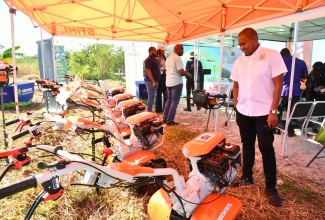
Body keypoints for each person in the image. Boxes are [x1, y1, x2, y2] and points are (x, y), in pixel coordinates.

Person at [230, 28, 287, 207]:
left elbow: (278, 85)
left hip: (264, 113)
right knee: (247, 145)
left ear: (254, 39)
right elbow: (236, 84)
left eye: (243, 43)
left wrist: (273, 111)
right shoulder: (239, 61)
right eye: (239, 44)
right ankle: (247, 177)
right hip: (244, 111)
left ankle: (271, 188)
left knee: (265, 148)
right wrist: (236, 102)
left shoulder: (272, 55)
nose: (241, 47)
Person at [277, 48, 308, 136]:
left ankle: (275, 129)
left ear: (281, 54)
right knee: (291, 112)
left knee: (278, 110)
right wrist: (297, 75)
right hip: (296, 91)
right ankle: (290, 131)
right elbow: (305, 76)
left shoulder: (280, 61)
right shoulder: (300, 62)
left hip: (283, 90)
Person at [163, 44, 192, 126]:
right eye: (182, 49)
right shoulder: (177, 58)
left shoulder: (168, 58)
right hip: (176, 83)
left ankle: (165, 118)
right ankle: (169, 120)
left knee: (169, 100)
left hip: (169, 82)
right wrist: (188, 74)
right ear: (177, 49)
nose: (183, 51)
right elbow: (181, 72)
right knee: (174, 102)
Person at [144, 46, 161, 112]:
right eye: (155, 50)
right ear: (151, 51)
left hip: (155, 80)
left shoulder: (154, 59)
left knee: (153, 96)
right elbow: (148, 71)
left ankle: (151, 110)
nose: (156, 52)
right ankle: (148, 111)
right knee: (151, 96)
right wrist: (153, 81)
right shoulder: (148, 60)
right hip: (150, 81)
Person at [155, 46, 167, 113]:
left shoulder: (164, 58)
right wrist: (162, 70)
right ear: (159, 51)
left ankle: (165, 107)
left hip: (164, 75)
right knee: (159, 92)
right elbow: (156, 68)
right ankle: (158, 109)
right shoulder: (157, 58)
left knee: (165, 92)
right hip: (160, 75)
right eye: (162, 50)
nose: (164, 51)